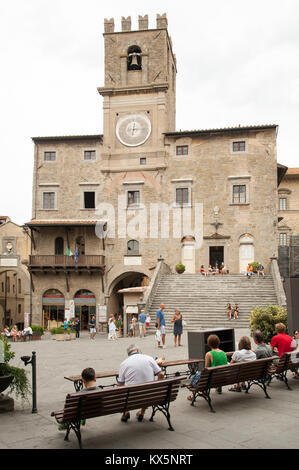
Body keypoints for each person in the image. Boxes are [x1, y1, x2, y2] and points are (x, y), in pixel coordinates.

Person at [117, 344, 164, 422]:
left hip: (132, 397)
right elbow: (161, 374)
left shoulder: (124, 363)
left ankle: (125, 412)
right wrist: (157, 386)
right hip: (150, 395)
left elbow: (120, 384)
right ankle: (142, 412)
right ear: (138, 350)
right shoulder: (149, 358)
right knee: (146, 388)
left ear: (129, 354)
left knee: (121, 390)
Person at [187, 334, 228, 400]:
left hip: (213, 380)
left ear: (209, 344)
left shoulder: (209, 354)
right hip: (223, 378)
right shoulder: (223, 353)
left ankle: (193, 395)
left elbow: (206, 370)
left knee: (193, 377)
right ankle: (213, 389)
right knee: (199, 375)